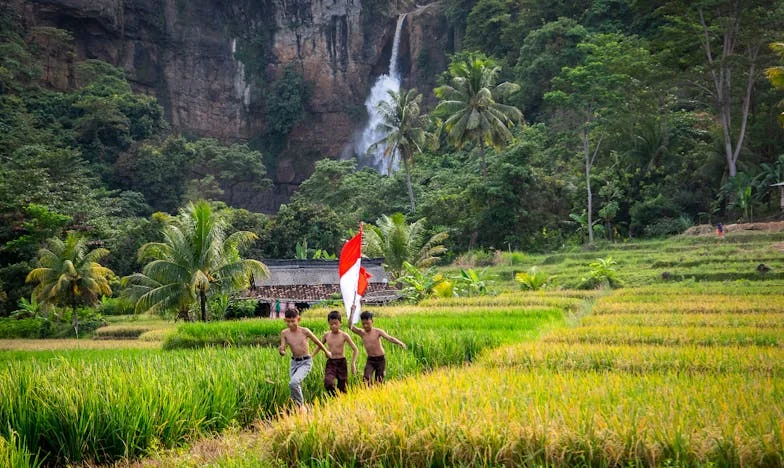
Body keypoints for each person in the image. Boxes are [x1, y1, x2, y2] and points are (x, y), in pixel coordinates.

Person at [278, 307, 332, 408]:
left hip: (305, 362)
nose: (290, 324)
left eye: (293, 321)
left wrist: (326, 351)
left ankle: (301, 407)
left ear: (298, 319)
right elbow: (283, 348)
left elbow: (317, 342)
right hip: (294, 363)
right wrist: (281, 351)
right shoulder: (284, 333)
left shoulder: (305, 331)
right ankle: (298, 408)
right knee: (294, 386)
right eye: (288, 322)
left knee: (293, 383)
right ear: (285, 320)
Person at [349, 305, 406, 385]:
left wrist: (400, 343)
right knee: (366, 378)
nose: (365, 326)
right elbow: (350, 326)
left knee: (379, 381)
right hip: (370, 360)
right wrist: (352, 312)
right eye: (363, 324)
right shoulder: (362, 333)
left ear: (372, 321)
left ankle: (377, 393)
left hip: (381, 359)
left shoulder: (378, 331)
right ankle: (369, 393)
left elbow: (389, 338)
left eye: (367, 323)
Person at [312, 310, 359, 395]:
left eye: (336, 323)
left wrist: (353, 363)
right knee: (328, 382)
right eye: (331, 324)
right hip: (331, 362)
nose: (333, 326)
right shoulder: (326, 335)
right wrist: (311, 357)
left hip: (342, 362)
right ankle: (335, 396)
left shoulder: (344, 335)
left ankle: (340, 400)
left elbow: (355, 349)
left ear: (340, 323)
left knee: (343, 387)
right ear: (328, 324)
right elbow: (319, 346)